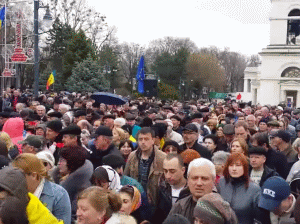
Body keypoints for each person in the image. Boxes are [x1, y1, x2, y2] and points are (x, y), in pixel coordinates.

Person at [12, 153, 72, 224]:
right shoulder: (12, 192)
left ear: (34, 175)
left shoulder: (59, 195)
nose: (15, 181)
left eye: (19, 177)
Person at [124, 127, 166, 209]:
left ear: (153, 140)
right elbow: (126, 177)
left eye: (146, 139)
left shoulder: (162, 158)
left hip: (154, 201)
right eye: (140, 139)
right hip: (135, 200)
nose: (143, 142)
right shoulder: (132, 156)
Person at [167, 158, 216, 223]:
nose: (199, 183)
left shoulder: (223, 211)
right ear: (188, 180)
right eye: (194, 178)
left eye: (204, 179)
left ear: (213, 181)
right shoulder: (179, 207)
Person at [51, 145, 93, 221]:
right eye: (59, 160)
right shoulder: (59, 178)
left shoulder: (83, 188)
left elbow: (74, 215)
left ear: (72, 163)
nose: (59, 163)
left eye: (62, 161)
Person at [217, 153, 261, 224]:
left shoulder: (254, 189)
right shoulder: (221, 183)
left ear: (245, 167)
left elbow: (259, 218)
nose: (234, 169)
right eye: (231, 165)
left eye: (238, 165)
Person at [153, 154, 187, 224]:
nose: (168, 176)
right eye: (165, 171)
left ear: (183, 170)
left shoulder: (190, 191)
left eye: (172, 171)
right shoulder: (161, 189)